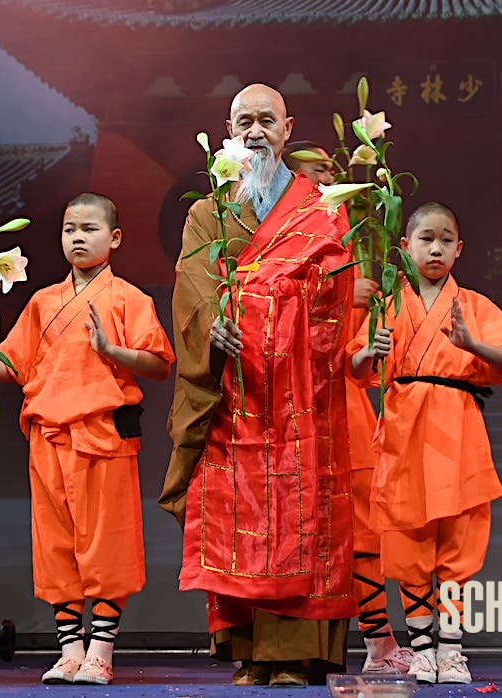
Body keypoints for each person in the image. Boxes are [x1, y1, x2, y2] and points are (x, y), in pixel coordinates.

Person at [161, 84, 356, 687]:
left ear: (287, 128)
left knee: (300, 520)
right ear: (227, 130)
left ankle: (294, 656)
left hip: (300, 399)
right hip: (233, 394)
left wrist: (267, 306)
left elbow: (335, 296)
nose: (254, 132)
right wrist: (214, 325)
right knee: (235, 518)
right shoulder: (209, 212)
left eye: (266, 121)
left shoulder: (321, 209)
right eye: (243, 121)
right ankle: (249, 652)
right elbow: (193, 290)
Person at [0, 192, 174, 686]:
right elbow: (16, 364)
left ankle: (101, 651)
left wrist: (111, 350)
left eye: (89, 229)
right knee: (56, 544)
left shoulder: (129, 299)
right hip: (49, 436)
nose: (77, 237)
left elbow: (159, 364)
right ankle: (69, 650)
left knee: (106, 542)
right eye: (69, 229)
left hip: (102, 434)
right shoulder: (43, 301)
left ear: (114, 238)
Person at [347, 201, 502, 684]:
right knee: (410, 547)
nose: (436, 248)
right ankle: (423, 649)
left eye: (446, 240)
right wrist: (369, 352)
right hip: (404, 431)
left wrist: (472, 345)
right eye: (426, 239)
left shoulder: (472, 305)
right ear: (405, 246)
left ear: (459, 249)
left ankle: (451, 649)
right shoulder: (389, 305)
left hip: (457, 430)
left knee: (457, 543)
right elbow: (356, 367)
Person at [285, 140, 414, 674]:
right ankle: (304, 647)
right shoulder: (273, 237)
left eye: (330, 171)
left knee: (363, 526)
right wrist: (338, 290)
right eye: (313, 173)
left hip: (345, 404)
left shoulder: (352, 235)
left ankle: (379, 641)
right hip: (290, 408)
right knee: (298, 531)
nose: (327, 179)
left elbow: (360, 347)